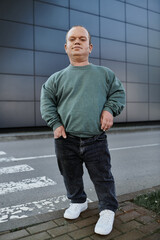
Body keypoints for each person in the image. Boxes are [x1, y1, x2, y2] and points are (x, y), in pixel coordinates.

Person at [40, 25, 126, 236]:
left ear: (90, 47)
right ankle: (78, 201)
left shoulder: (104, 74)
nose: (77, 42)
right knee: (70, 174)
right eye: (72, 39)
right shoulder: (56, 78)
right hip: (65, 139)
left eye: (82, 39)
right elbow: (47, 102)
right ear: (66, 47)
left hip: (95, 139)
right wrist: (56, 124)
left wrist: (109, 110)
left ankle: (107, 209)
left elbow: (118, 95)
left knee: (102, 176)